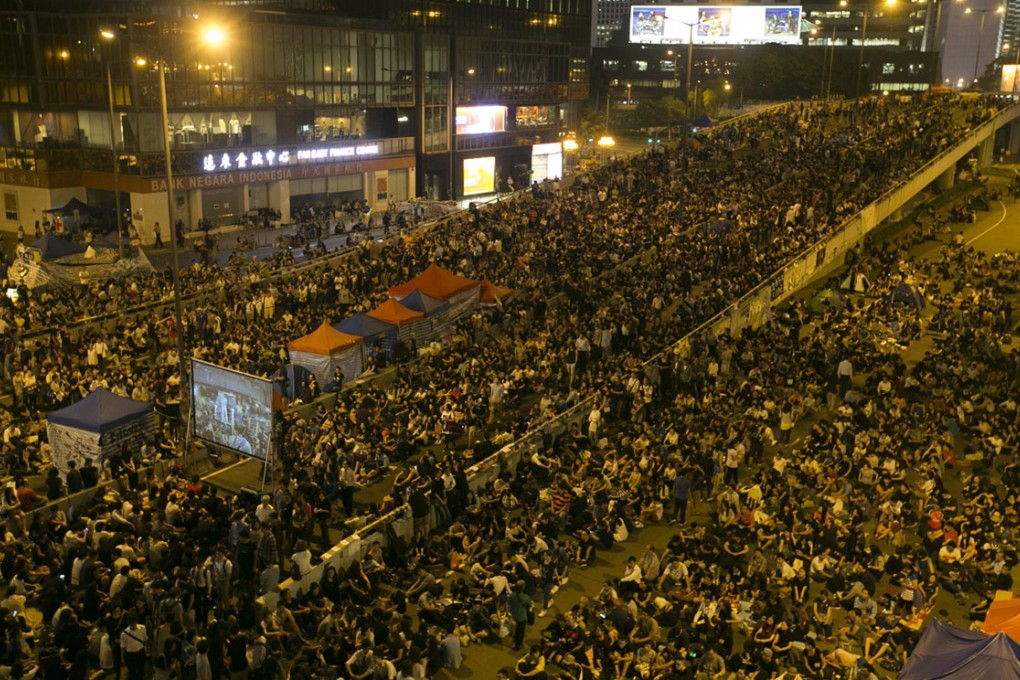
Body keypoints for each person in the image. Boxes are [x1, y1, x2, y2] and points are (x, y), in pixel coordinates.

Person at [507, 580, 532, 651]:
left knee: (515, 630)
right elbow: (529, 605)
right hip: (522, 617)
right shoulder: (526, 597)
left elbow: (508, 604)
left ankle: (514, 640)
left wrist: (508, 614)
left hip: (514, 615)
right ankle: (518, 645)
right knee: (520, 632)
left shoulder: (512, 595)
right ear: (523, 587)